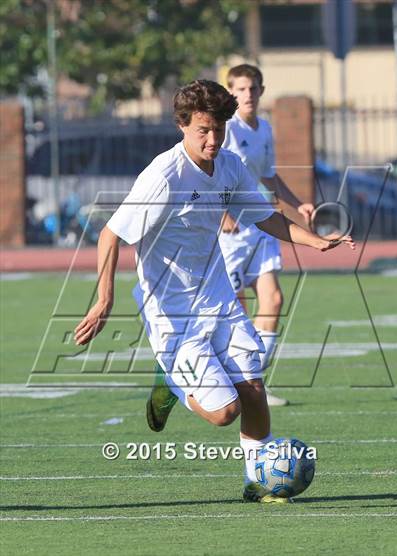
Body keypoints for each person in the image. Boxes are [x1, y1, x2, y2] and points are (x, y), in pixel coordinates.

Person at [74, 80, 354, 503]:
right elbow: (110, 236)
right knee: (225, 412)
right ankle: (168, 382)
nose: (212, 139)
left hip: (218, 300)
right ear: (183, 126)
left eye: (218, 128)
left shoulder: (229, 166)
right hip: (171, 312)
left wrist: (315, 241)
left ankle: (257, 479)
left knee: (253, 390)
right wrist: (104, 300)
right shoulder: (164, 175)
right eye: (202, 130)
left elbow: (264, 216)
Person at [219, 64, 315, 406]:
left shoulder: (264, 129)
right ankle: (205, 378)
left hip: (260, 223)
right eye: (240, 89)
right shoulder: (225, 129)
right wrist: (223, 212)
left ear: (261, 91)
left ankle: (253, 386)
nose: (247, 95)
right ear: (231, 93)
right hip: (230, 234)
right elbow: (212, 173)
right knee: (231, 311)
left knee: (273, 300)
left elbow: (269, 177)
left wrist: (297, 204)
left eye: (253, 89)